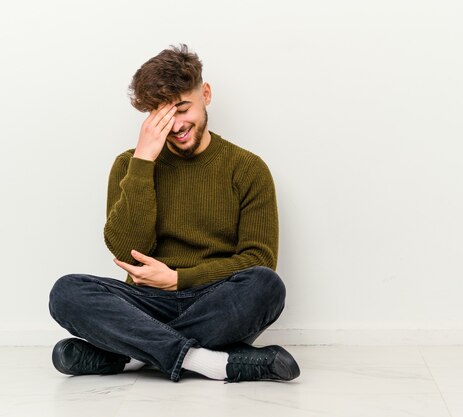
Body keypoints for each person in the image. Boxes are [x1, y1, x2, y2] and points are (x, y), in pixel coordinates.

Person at [48, 44, 300, 383]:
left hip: (213, 299)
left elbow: (260, 259)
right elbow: (125, 250)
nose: (177, 125)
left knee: (266, 286)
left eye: (182, 109)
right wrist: (143, 162)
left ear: (205, 94)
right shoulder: (130, 164)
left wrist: (180, 279)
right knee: (66, 292)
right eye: (162, 116)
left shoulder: (247, 168)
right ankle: (207, 361)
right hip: (145, 302)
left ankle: (131, 355)